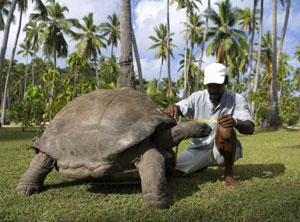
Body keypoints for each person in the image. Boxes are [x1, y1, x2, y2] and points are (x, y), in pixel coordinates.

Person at [164, 62, 254, 186]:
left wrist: (235, 122)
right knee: (170, 171)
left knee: (224, 128)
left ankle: (228, 174)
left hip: (223, 151)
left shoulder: (236, 99)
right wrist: (174, 107)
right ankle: (201, 165)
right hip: (198, 148)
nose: (213, 89)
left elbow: (250, 127)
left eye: (217, 85)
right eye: (210, 85)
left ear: (225, 82)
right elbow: (181, 106)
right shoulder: (197, 97)